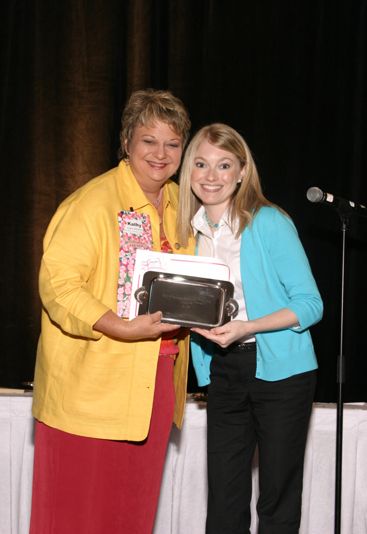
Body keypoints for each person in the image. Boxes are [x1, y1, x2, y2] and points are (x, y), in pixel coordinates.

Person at [30, 88, 195, 534]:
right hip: (91, 389)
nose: (160, 154)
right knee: (74, 519)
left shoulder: (184, 206)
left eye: (173, 143)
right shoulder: (91, 203)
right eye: (149, 140)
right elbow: (58, 286)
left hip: (156, 385)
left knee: (130, 517)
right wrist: (117, 326)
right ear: (126, 142)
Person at [177, 123, 323, 534]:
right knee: (224, 498)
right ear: (189, 172)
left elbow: (311, 305)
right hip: (223, 369)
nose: (211, 176)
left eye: (224, 165)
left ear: (242, 172)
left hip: (283, 372)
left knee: (277, 496)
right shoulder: (188, 233)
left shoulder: (269, 222)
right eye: (201, 164)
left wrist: (248, 327)